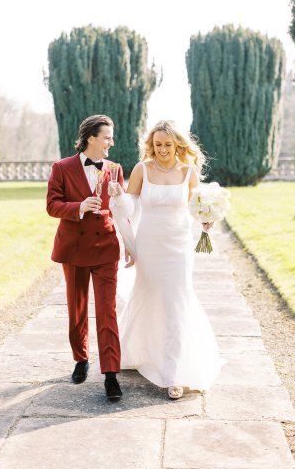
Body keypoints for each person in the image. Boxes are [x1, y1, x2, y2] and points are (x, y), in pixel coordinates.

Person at [110, 119, 224, 399]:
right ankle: (138, 350)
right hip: (150, 243)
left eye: (167, 144)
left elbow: (198, 205)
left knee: (175, 301)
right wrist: (118, 196)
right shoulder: (142, 169)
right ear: (152, 144)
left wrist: (207, 220)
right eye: (157, 144)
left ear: (177, 145)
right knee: (148, 296)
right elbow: (131, 205)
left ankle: (173, 372)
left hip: (179, 245)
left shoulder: (188, 172)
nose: (162, 149)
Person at [46, 114, 131, 400]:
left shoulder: (116, 169)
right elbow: (52, 206)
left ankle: (111, 374)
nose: (112, 142)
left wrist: (121, 200)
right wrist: (79, 206)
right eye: (107, 137)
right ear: (91, 138)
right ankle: (81, 359)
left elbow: (123, 211)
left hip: (106, 248)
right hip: (74, 248)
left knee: (107, 311)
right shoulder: (62, 168)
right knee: (77, 308)